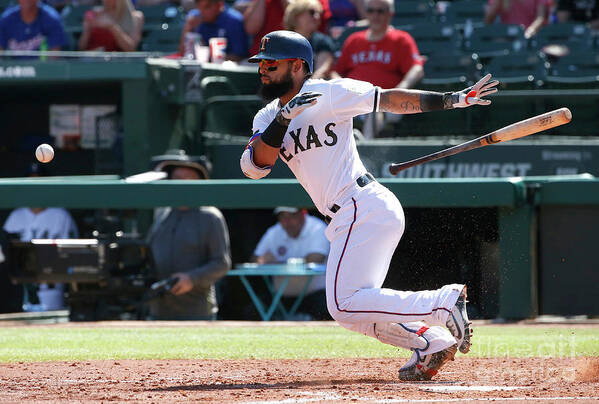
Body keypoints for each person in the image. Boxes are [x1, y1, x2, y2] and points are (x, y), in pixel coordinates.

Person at [239, 30, 498, 380]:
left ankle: (441, 302)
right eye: (261, 64)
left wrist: (451, 100)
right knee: (355, 309)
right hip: (351, 214)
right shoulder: (266, 117)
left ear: (298, 66)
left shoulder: (327, 93)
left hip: (361, 204)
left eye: (271, 63)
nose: (263, 70)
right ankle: (431, 342)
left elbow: (388, 99)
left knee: (342, 302)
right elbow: (255, 167)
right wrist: (283, 119)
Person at [146, 150, 231, 320]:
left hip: (196, 312)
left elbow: (221, 263)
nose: (182, 185)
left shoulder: (210, 217)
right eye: (177, 180)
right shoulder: (162, 212)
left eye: (188, 181)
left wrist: (191, 279)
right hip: (158, 310)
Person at [331, 0, 424, 137]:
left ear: (390, 14)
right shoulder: (354, 40)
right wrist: (341, 86)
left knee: (374, 109)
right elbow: (335, 71)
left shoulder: (401, 40)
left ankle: (365, 149)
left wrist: (401, 88)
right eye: (371, 11)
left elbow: (417, 69)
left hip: (384, 101)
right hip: (353, 98)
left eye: (380, 11)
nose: (375, 16)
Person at [2, 162, 79, 311]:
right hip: (19, 289)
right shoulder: (16, 216)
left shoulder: (61, 216)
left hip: (51, 288)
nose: (35, 187)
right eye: (31, 182)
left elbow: (73, 256)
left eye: (39, 181)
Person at [252, 206, 330, 320]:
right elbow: (255, 259)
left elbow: (315, 258)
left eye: (291, 216)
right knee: (253, 310)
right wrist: (261, 260)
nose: (287, 222)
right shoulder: (274, 232)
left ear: (303, 214)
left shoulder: (318, 228)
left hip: (315, 296)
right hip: (281, 298)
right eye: (283, 217)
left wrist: (276, 262)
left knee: (326, 309)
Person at [243, 0, 331, 56]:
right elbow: (251, 28)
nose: (316, 17)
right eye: (312, 13)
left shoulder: (320, 41)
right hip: (264, 63)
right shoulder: (278, 41)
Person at [178, 0, 248, 61]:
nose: (202, 12)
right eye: (199, 7)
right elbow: (183, 52)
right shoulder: (194, 17)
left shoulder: (234, 20)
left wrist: (210, 57)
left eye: (207, 7)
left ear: (220, 5)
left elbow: (239, 56)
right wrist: (188, 28)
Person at [284, 0, 336, 80]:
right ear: (296, 15)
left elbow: (321, 71)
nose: (317, 17)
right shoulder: (281, 42)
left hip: (313, 88)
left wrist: (305, 90)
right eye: (312, 12)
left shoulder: (322, 41)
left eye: (319, 14)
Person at [0, 0, 67, 51]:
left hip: (42, 68)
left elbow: (54, 58)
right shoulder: (6, 19)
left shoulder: (51, 18)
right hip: (13, 68)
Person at [78, 0, 144, 52]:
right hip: (92, 62)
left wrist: (112, 27)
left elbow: (130, 49)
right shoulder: (94, 15)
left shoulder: (136, 17)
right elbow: (81, 47)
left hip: (119, 63)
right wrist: (87, 29)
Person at [484, 0, 551, 39]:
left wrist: (530, 31)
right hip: (507, 37)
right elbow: (488, 20)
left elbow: (540, 18)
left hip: (531, 37)